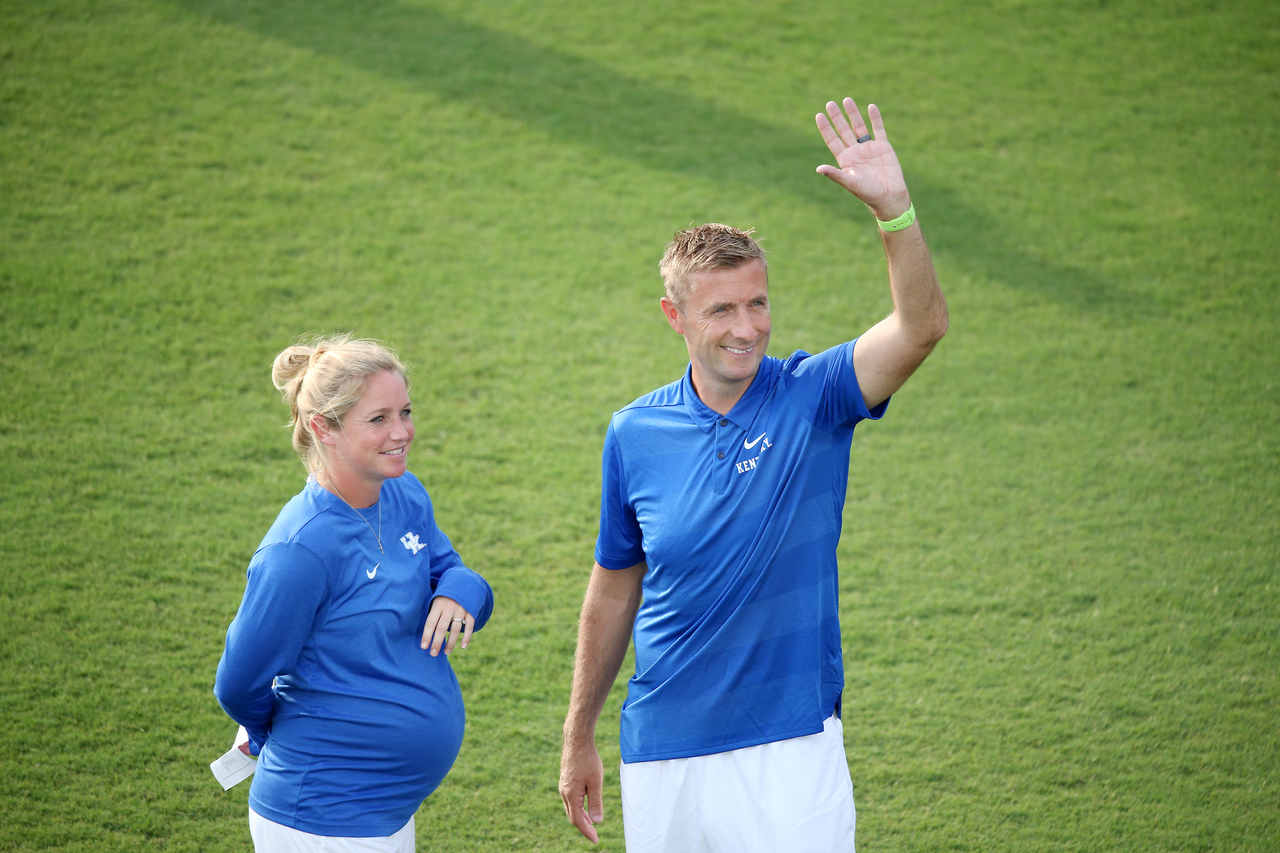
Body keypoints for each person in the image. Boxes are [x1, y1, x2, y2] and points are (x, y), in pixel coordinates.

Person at [558, 98, 948, 851]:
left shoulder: (815, 394)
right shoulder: (634, 431)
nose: (748, 327)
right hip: (663, 743)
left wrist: (895, 214)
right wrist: (579, 732)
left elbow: (920, 326)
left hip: (790, 744)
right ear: (674, 316)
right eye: (723, 310)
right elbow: (613, 583)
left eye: (759, 303)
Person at [215, 335, 494, 853]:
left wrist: (461, 592)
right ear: (324, 427)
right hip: (321, 816)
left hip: (384, 813)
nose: (402, 432)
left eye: (405, 411)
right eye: (379, 419)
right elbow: (237, 683)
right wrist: (273, 730)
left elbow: (450, 570)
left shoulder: (404, 492)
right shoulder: (299, 552)